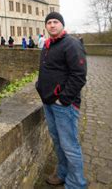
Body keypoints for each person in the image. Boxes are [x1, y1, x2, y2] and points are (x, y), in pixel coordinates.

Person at [35, 12, 87, 189]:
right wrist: (39, 86)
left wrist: (63, 99)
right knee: (58, 142)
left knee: (70, 146)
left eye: (55, 21)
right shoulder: (48, 45)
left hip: (64, 105)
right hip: (49, 102)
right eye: (49, 22)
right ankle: (63, 173)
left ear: (62, 24)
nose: (52, 25)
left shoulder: (71, 44)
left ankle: (76, 184)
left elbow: (79, 76)